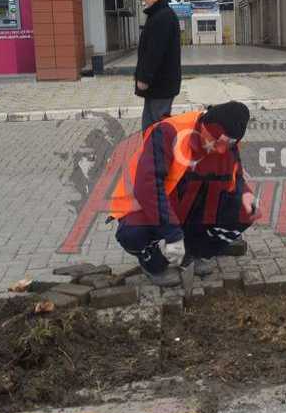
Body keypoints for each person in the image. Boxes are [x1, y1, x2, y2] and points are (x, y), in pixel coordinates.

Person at [109, 101, 257, 282]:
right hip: (147, 203)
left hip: (187, 202)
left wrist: (246, 199)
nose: (220, 149)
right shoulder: (168, 132)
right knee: (132, 234)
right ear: (203, 125)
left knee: (247, 210)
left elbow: (235, 177)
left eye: (227, 144)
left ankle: (195, 252)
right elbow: (148, 188)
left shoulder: (226, 144)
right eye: (215, 140)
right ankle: (154, 264)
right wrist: (172, 234)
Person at [135, 0, 181, 130]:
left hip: (160, 84)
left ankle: (159, 153)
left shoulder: (162, 17)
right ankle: (153, 152)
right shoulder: (159, 15)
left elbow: (154, 52)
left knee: (157, 128)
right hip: (157, 85)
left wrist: (144, 78)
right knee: (150, 126)